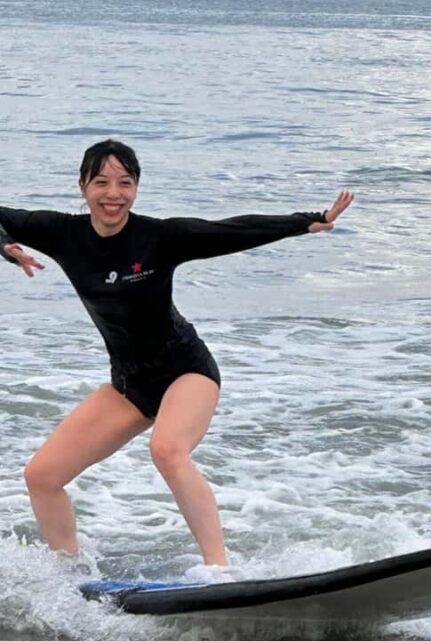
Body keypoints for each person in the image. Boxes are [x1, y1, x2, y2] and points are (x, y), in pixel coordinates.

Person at [0, 139, 354, 567]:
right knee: (42, 476)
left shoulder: (159, 237)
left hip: (187, 371)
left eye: (125, 183)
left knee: (167, 450)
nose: (114, 194)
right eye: (102, 182)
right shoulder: (61, 233)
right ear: (82, 187)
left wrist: (307, 221)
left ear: (137, 188)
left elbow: (228, 231)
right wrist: (4, 246)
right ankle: (71, 574)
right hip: (130, 386)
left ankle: (218, 571)